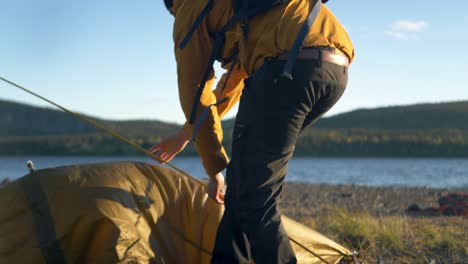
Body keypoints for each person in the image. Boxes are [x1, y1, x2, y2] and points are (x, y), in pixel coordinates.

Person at [150, 0, 354, 263]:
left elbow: (195, 92)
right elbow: (233, 82)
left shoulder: (188, 8)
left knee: (255, 197)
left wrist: (214, 169)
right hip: (333, 70)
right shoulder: (242, 13)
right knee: (244, 186)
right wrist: (187, 134)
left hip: (287, 66)